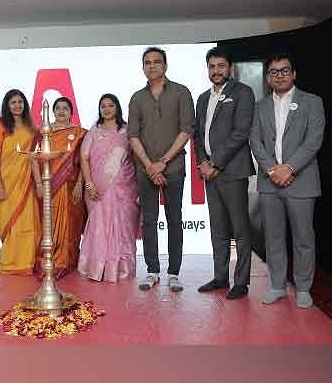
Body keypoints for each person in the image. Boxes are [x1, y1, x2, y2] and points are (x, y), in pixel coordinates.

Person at [250, 52, 325, 309]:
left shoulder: (312, 102)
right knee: (273, 237)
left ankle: (303, 287)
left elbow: (314, 140)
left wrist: (289, 168)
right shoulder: (259, 106)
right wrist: (273, 170)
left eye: (284, 70)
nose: (279, 75)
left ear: (294, 74)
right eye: (274, 71)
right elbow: (255, 141)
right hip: (270, 183)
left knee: (304, 237)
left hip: (301, 182)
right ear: (268, 77)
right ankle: (277, 285)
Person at [128, 47, 195, 292]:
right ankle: (152, 271)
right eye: (147, 62)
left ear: (165, 66)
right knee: (148, 220)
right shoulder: (137, 97)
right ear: (143, 67)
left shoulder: (181, 92)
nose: (152, 66)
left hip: (174, 167)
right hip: (145, 169)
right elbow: (133, 135)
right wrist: (150, 166)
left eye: (157, 62)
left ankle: (174, 273)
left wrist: (163, 162)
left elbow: (187, 129)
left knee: (174, 219)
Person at [194, 47, 255, 300]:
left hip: (232, 171)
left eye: (221, 66)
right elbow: (197, 135)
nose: (216, 71)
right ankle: (221, 277)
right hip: (210, 173)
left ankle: (241, 282)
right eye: (212, 66)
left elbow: (241, 133)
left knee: (240, 229)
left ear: (229, 68)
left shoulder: (243, 93)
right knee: (217, 227)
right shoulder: (202, 98)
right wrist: (203, 163)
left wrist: (215, 163)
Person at [77, 94, 139, 282]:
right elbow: (84, 158)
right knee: (99, 227)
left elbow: (135, 158)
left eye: (110, 105)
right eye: (103, 106)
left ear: (117, 108)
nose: (106, 109)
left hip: (124, 189)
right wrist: (89, 184)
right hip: (97, 188)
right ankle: (97, 269)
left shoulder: (127, 131)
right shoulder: (94, 132)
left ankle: (121, 269)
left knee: (122, 229)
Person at [0, 89, 43, 275]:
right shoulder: (0, 126)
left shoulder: (31, 126)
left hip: (26, 181)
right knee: (10, 223)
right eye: (13, 102)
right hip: (6, 181)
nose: (17, 105)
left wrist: (38, 183)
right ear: (7, 105)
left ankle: (26, 262)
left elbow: (37, 155)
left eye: (20, 101)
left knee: (27, 222)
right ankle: (11, 262)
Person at [47, 97, 87, 279]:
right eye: (58, 108)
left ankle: (68, 260)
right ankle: (52, 260)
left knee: (70, 224)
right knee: (50, 223)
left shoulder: (80, 133)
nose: (62, 111)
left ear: (71, 112)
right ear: (53, 111)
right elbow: (36, 159)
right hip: (50, 186)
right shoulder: (44, 132)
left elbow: (85, 162)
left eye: (65, 108)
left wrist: (80, 184)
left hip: (72, 186)